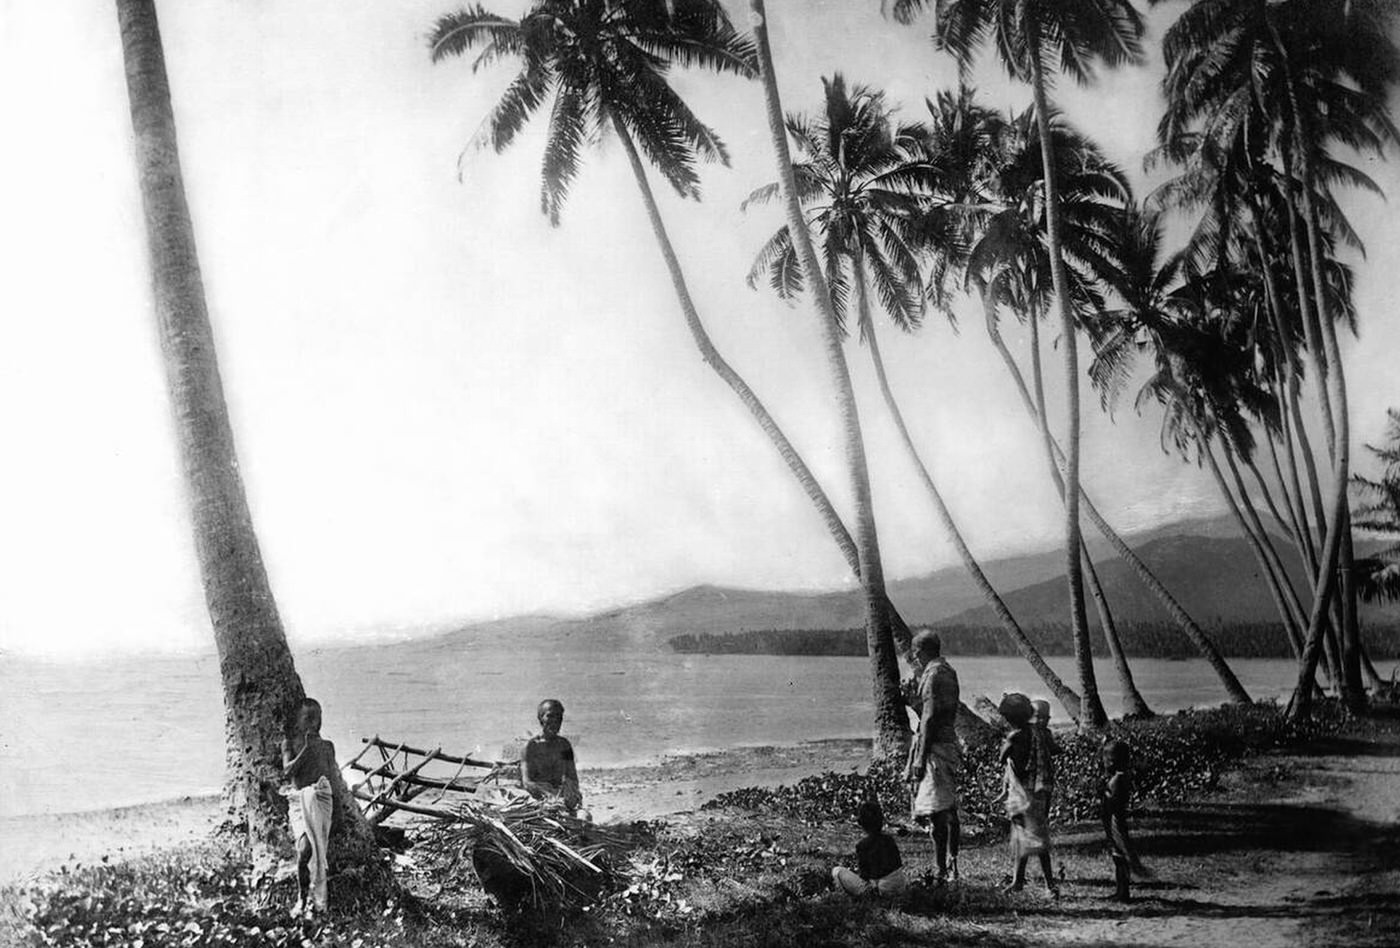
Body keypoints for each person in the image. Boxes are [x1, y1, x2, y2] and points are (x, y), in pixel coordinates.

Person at [904, 630, 961, 884]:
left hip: (936, 746)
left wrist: (919, 758)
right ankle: (952, 862)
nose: (915, 659)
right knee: (948, 808)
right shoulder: (948, 671)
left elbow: (928, 718)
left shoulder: (933, 675)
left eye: (916, 654)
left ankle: (941, 869)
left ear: (921, 652)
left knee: (938, 811)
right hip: (948, 743)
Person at [281, 697, 339, 916]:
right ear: (297, 721)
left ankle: (319, 902)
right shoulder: (290, 743)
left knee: (320, 853)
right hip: (300, 801)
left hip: (323, 800)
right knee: (305, 849)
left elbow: (332, 779)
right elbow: (287, 772)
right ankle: (301, 897)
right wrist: (306, 749)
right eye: (308, 718)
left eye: (317, 718)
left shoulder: (327, 747)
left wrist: (338, 813)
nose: (313, 723)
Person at [997, 693, 1058, 897]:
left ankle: (1050, 886)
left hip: (1024, 794)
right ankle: (1017, 881)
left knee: (1035, 841)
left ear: (1010, 719)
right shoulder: (1039, 733)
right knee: (1023, 839)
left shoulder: (1016, 736)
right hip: (1037, 792)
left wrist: (1007, 741)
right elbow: (1054, 750)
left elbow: (1001, 758)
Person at [520, 698, 589, 819]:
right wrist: (548, 796)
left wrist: (572, 795)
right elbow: (527, 782)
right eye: (550, 716)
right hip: (539, 798)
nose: (555, 720)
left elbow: (572, 777)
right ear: (541, 718)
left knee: (585, 817)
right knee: (560, 818)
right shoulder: (530, 746)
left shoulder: (564, 745)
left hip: (560, 796)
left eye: (559, 716)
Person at [1101, 739, 1148, 903]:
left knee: (1119, 857)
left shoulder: (1116, 780)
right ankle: (1122, 890)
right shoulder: (1122, 777)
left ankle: (1123, 892)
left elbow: (1112, 802)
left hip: (1115, 822)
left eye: (1105, 760)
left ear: (1112, 761)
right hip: (1117, 821)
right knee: (1119, 856)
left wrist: (1104, 794)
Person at [831, 800, 908, 899]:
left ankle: (864, 897)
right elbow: (898, 864)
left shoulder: (863, 845)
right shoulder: (889, 840)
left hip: (881, 890)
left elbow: (865, 875)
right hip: (900, 886)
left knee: (837, 871)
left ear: (861, 823)